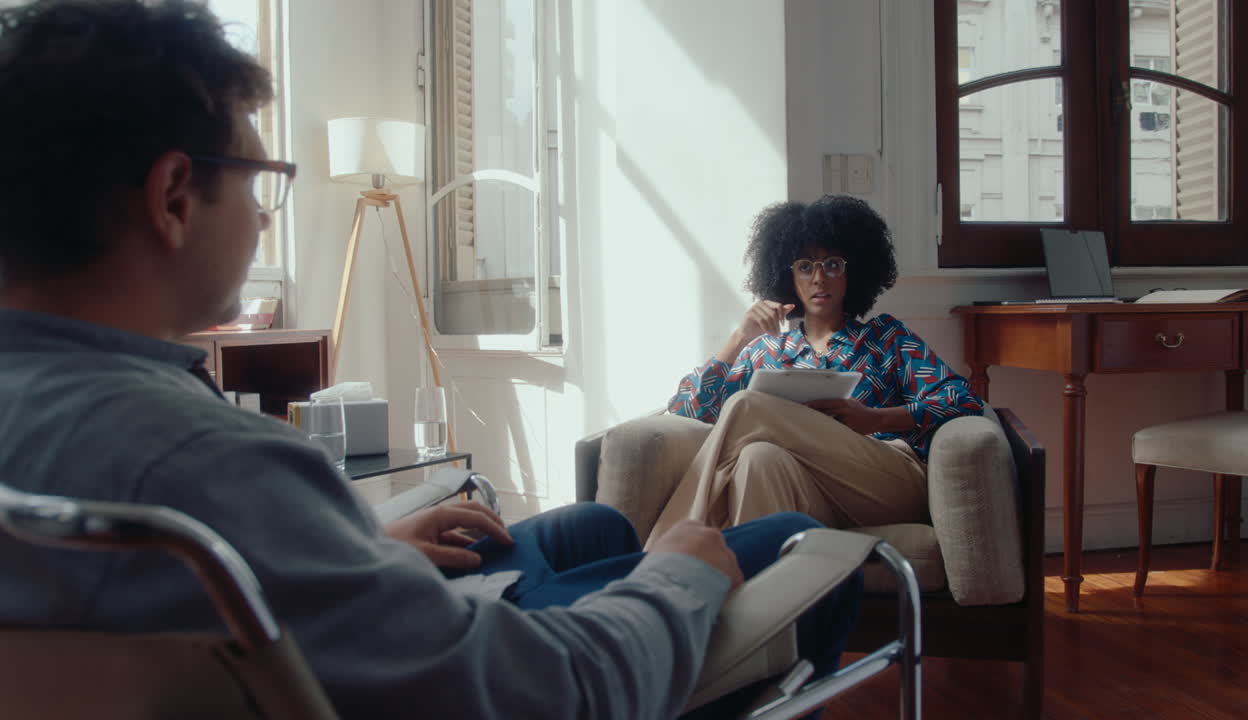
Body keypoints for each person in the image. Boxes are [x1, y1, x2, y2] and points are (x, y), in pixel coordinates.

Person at [0, 2, 858, 719]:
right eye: (259, 180)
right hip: (485, 681)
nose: (263, 218)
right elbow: (553, 694)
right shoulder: (210, 463)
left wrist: (360, 547)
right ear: (174, 197)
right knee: (799, 546)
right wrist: (678, 579)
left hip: (321, 641)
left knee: (590, 526)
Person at [647, 194, 983, 545]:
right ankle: (764, 575)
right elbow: (685, 410)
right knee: (757, 458)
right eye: (805, 266)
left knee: (746, 405)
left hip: (885, 484)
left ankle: (667, 548)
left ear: (853, 272)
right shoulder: (765, 351)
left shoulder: (885, 338)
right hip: (808, 492)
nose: (819, 278)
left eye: (833, 264)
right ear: (788, 276)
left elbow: (963, 400)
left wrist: (877, 418)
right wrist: (739, 337)